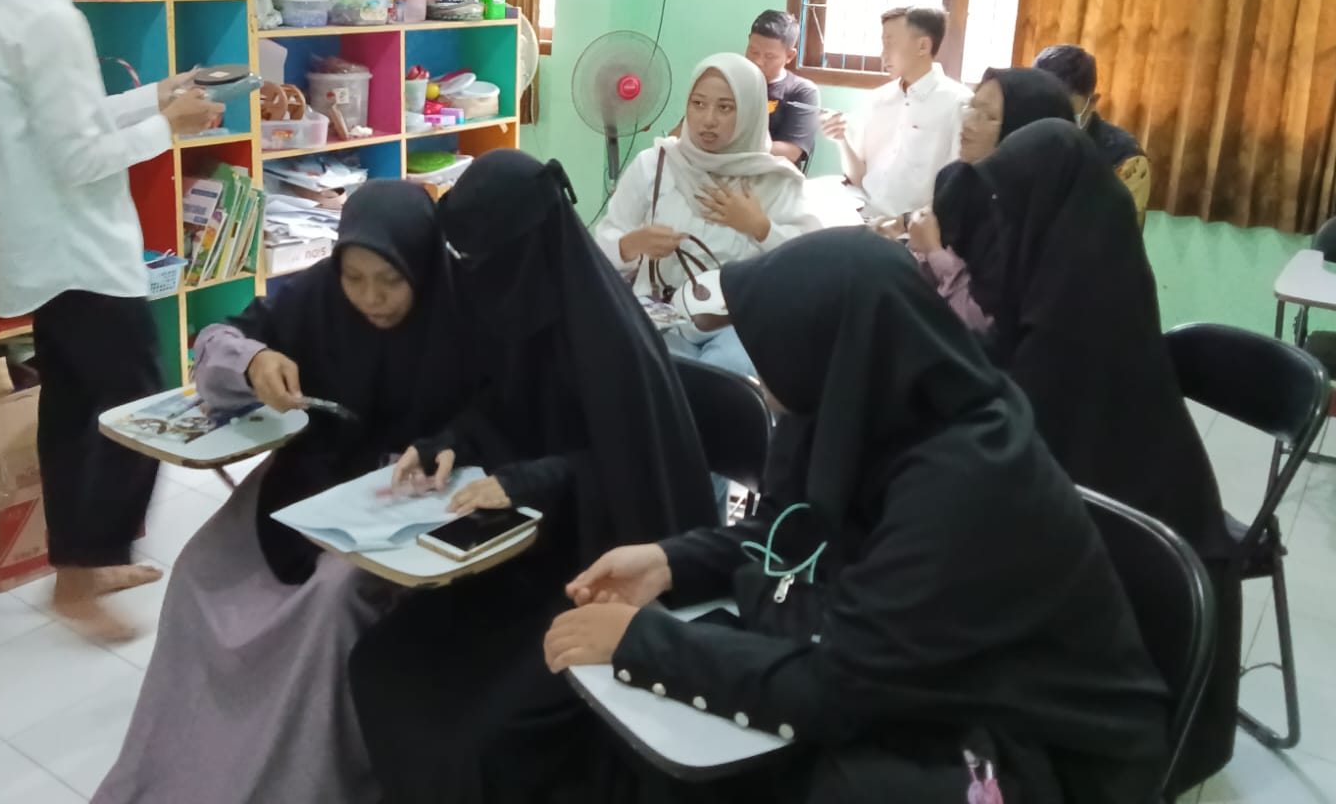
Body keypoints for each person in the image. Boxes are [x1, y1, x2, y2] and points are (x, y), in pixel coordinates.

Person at [544, 230, 1171, 804]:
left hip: (1043, 749)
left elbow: (837, 689)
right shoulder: (850, 401)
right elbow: (789, 532)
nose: (759, 368)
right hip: (931, 675)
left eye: (771, 348)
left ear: (824, 345)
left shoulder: (970, 477)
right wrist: (669, 562)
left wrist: (643, 643)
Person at [349, 149, 719, 804]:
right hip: (521, 564)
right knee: (381, 663)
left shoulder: (613, 347)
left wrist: (534, 480)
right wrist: (447, 443)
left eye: (488, 260)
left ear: (527, 248)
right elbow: (501, 405)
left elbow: (635, 480)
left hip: (602, 577)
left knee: (478, 735)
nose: (476, 277)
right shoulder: (515, 310)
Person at [94, 180, 467, 804]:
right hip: (310, 476)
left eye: (390, 280)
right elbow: (217, 341)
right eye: (354, 277)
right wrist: (253, 362)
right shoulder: (317, 296)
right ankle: (189, 766)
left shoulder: (462, 315)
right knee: (199, 570)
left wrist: (445, 446)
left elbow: (494, 415)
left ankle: (302, 778)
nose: (370, 297)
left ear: (422, 266)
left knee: (331, 598)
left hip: (407, 496)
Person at [931, 120, 1237, 789]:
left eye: (1008, 208)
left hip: (1137, 605)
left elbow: (1024, 441)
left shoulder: (1081, 317)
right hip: (1089, 552)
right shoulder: (1063, 274)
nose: (998, 225)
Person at [0, 0, 223, 641]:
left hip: (49, 251)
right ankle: (91, 565)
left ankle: (81, 565)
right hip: (78, 253)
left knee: (74, 406)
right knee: (139, 402)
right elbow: (79, 157)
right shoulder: (52, 18)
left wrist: (156, 95)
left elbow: (69, 121)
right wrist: (170, 126)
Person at [595, 53, 820, 381]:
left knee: (724, 379)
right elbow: (602, 246)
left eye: (725, 108)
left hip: (737, 323)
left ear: (751, 111)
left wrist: (760, 228)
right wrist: (631, 244)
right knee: (647, 372)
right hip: (662, 314)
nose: (708, 120)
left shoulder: (776, 180)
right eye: (698, 104)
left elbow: (810, 269)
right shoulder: (655, 164)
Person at [906, 66, 1075, 327]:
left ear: (1025, 131)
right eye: (971, 108)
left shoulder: (1040, 212)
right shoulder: (957, 179)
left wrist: (934, 251)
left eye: (989, 116)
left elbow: (986, 324)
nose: (968, 123)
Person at [819, 6, 970, 219]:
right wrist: (841, 139)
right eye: (883, 43)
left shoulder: (958, 103)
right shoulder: (877, 99)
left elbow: (958, 185)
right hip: (862, 213)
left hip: (912, 227)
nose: (882, 54)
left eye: (890, 43)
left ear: (923, 46)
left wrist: (909, 224)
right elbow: (859, 178)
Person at [1034, 43, 1153, 227]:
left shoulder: (1125, 160)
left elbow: (1119, 235)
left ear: (1092, 102)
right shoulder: (1015, 140)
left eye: (1065, 107)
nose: (1052, 116)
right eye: (1044, 104)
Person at [743, 10, 820, 168]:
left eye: (769, 56)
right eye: (753, 51)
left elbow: (791, 151)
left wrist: (728, 146)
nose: (758, 61)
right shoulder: (731, 82)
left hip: (774, 176)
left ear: (790, 56)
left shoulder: (803, 91)